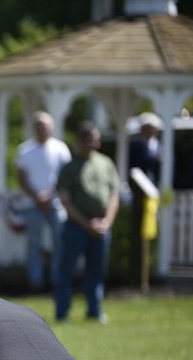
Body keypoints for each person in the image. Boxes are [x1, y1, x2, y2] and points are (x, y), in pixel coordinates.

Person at [55, 120, 120, 323]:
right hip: (77, 225)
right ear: (79, 141)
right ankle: (63, 312)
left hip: (101, 225)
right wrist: (86, 223)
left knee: (97, 270)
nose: (91, 142)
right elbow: (65, 200)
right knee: (67, 269)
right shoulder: (69, 167)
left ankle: (95, 310)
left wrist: (106, 222)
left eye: (94, 138)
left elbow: (113, 196)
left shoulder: (106, 163)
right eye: (87, 139)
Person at [16, 111, 72, 291]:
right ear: (35, 128)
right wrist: (37, 197)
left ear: (52, 127)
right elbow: (22, 178)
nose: (43, 129)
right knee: (35, 244)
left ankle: (57, 280)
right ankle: (35, 281)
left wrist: (50, 195)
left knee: (60, 243)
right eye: (39, 125)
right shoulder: (25, 150)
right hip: (32, 205)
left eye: (46, 126)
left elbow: (66, 176)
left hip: (56, 204)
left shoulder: (61, 148)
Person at [128, 112, 162, 184]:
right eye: (147, 128)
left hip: (155, 181)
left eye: (151, 128)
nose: (149, 131)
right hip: (139, 182)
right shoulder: (136, 145)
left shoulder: (160, 145)